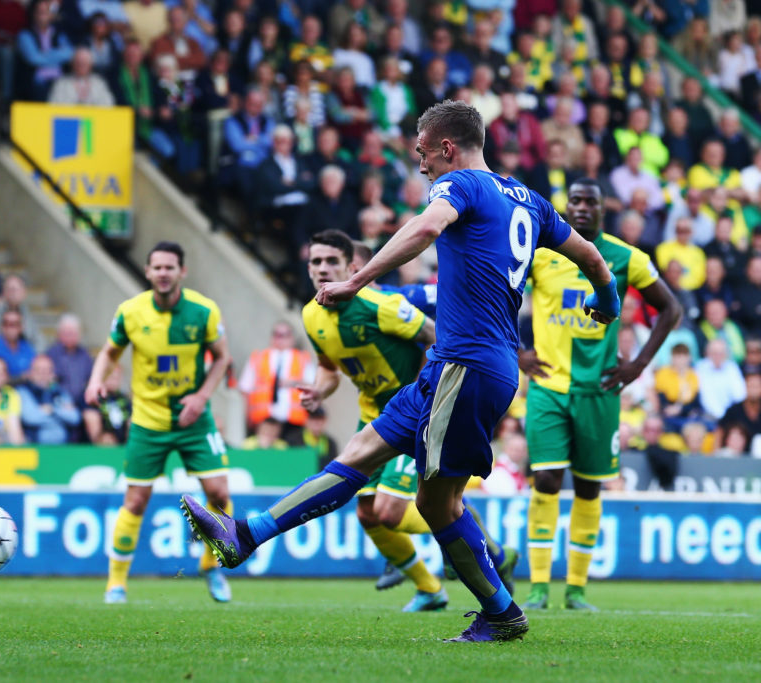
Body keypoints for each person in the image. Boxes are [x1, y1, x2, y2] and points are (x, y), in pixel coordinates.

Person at [181, 101, 621, 642]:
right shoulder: (530, 200)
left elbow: (427, 228)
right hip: (462, 364)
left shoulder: (458, 186)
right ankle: (244, 536)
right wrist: (609, 303)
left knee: (435, 503)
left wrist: (356, 279)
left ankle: (502, 611)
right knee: (361, 451)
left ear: (446, 149)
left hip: (467, 363)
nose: (419, 167)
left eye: (421, 153)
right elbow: (596, 262)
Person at [519, 179, 681, 612]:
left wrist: (639, 365)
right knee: (548, 479)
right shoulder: (540, 252)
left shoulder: (627, 257)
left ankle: (575, 589)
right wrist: (517, 352)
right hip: (550, 387)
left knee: (590, 488)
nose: (583, 207)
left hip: (601, 391)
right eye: (576, 200)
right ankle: (537, 587)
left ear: (603, 209)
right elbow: (499, 295)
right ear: (566, 206)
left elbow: (671, 308)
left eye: (592, 201)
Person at [296, 229, 461, 612]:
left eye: (331, 261)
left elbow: (436, 338)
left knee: (391, 510)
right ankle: (430, 588)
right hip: (372, 415)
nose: (323, 268)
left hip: (410, 414)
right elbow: (328, 369)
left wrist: (424, 393)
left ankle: (472, 537)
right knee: (369, 515)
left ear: (351, 266)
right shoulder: (310, 315)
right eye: (315, 262)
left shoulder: (380, 305)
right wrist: (320, 391)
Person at [86, 241, 233, 605]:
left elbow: (223, 358)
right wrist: (95, 380)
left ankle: (210, 566)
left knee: (220, 494)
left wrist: (201, 398)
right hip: (148, 421)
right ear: (148, 272)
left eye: (171, 267)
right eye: (157, 268)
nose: (163, 273)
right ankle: (115, 584)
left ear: (182, 271)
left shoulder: (204, 311)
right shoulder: (130, 312)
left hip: (193, 419)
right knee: (135, 500)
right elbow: (109, 352)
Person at [18, 354, 80, 444]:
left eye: (47, 370)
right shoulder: (23, 392)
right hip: (36, 448)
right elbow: (30, 418)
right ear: (30, 373)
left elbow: (75, 418)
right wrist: (61, 412)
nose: (43, 374)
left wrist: (52, 410)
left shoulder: (60, 392)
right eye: (39, 370)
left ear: (53, 374)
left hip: (64, 448)